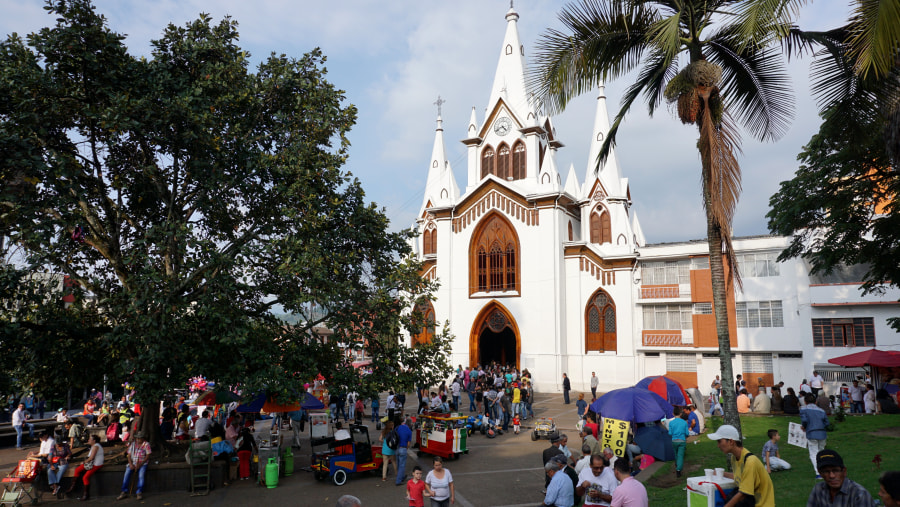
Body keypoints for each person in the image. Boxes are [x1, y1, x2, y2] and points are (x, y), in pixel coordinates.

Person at [707, 424, 774, 507]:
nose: (718, 445)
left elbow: (744, 493)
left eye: (719, 441)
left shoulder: (750, 462)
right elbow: (741, 477)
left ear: (731, 441)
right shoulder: (734, 458)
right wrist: (721, 473)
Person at [806, 449, 875, 506]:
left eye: (836, 470)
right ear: (820, 473)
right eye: (826, 471)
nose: (832, 476)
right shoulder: (818, 489)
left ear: (844, 471)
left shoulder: (859, 494)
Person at [67, 433, 105, 500]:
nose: (88, 440)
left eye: (90, 439)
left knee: (85, 477)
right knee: (77, 470)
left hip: (96, 464)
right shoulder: (93, 446)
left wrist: (84, 462)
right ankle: (73, 486)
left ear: (94, 441)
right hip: (92, 463)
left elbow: (91, 458)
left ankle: (86, 494)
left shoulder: (96, 447)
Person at [801, 392, 829, 478]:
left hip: (811, 433)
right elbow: (827, 423)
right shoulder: (821, 411)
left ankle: (819, 473)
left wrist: (804, 427)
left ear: (805, 401)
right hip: (822, 433)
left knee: (813, 453)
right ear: (816, 401)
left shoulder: (803, 409)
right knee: (821, 452)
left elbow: (805, 421)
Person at [117, 431, 151, 500]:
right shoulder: (133, 444)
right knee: (127, 474)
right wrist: (130, 464)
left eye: (140, 438)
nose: (138, 440)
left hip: (142, 463)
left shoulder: (146, 444)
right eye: (137, 438)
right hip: (133, 462)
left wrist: (141, 464)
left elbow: (147, 455)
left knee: (141, 475)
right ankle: (124, 491)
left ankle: (139, 492)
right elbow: (129, 455)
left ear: (143, 438)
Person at [668, 408, 689, 478]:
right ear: (680, 414)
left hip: (674, 440)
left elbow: (670, 433)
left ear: (673, 414)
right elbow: (687, 433)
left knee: (676, 454)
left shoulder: (671, 423)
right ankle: (678, 470)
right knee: (680, 455)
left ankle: (677, 464)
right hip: (682, 440)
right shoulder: (684, 422)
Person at [395, 416, 413, 485]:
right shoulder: (409, 431)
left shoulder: (399, 427)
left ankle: (402, 476)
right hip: (403, 448)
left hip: (397, 448)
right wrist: (406, 448)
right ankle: (398, 481)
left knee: (398, 464)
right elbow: (408, 443)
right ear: (410, 424)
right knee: (402, 465)